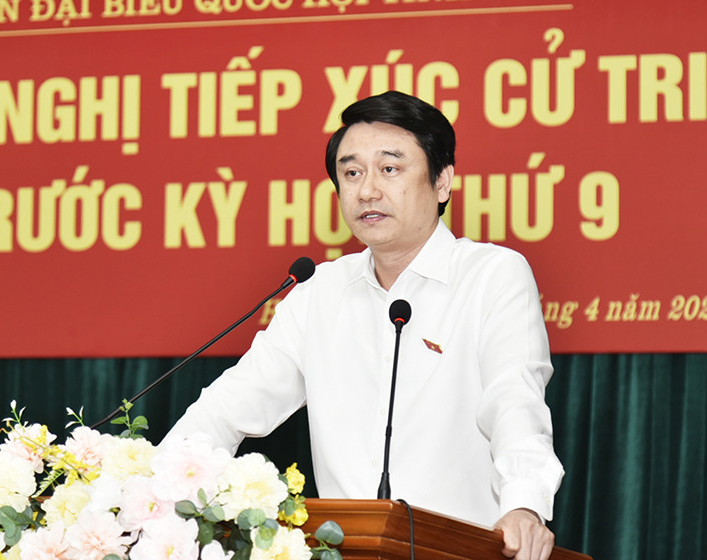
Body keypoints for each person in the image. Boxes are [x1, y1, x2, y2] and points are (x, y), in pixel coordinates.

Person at [167, 91, 564, 560]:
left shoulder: (490, 275)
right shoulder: (319, 293)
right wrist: (152, 486)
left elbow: (514, 401)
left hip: (458, 550)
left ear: (442, 181)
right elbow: (226, 409)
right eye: (352, 173)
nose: (367, 190)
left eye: (390, 169)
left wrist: (524, 505)